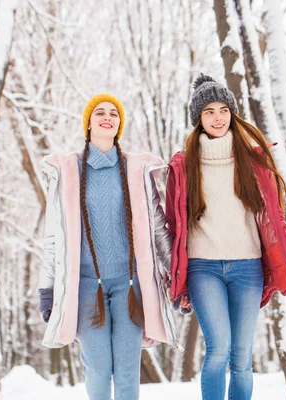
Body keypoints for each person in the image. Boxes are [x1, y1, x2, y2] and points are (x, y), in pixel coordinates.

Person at [165, 74, 286, 399]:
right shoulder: (183, 166)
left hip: (247, 269)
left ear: (232, 113)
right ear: (198, 119)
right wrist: (174, 278)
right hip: (203, 269)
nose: (218, 118)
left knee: (242, 358)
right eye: (209, 112)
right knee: (219, 349)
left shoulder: (253, 161)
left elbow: (276, 222)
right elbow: (173, 230)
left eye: (223, 110)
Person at [37, 93, 178, 400]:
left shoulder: (135, 171)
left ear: (119, 125)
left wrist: (176, 277)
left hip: (131, 287)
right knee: (99, 370)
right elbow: (53, 237)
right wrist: (47, 289)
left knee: (127, 371)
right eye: (100, 112)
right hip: (88, 288)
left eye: (114, 114)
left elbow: (157, 229)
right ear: (88, 123)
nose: (107, 117)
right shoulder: (69, 173)